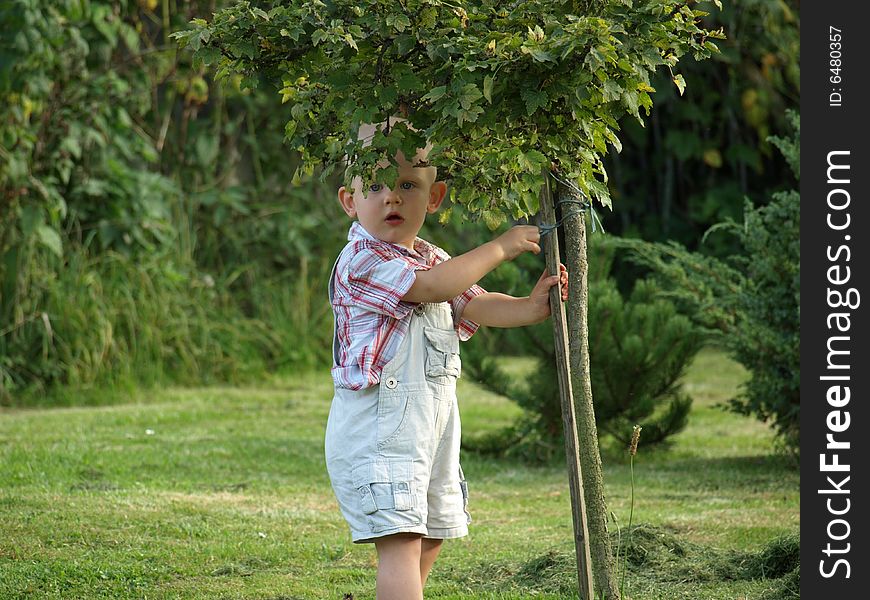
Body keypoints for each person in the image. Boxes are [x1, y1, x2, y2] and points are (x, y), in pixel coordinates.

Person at [325, 118, 568, 599]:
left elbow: (472, 301)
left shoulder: (432, 258)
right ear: (350, 201)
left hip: (429, 431)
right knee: (401, 541)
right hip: (380, 432)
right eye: (374, 185)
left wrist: (530, 307)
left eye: (408, 185)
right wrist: (499, 246)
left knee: (433, 529)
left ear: (433, 199)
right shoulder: (362, 261)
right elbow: (433, 290)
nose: (392, 197)